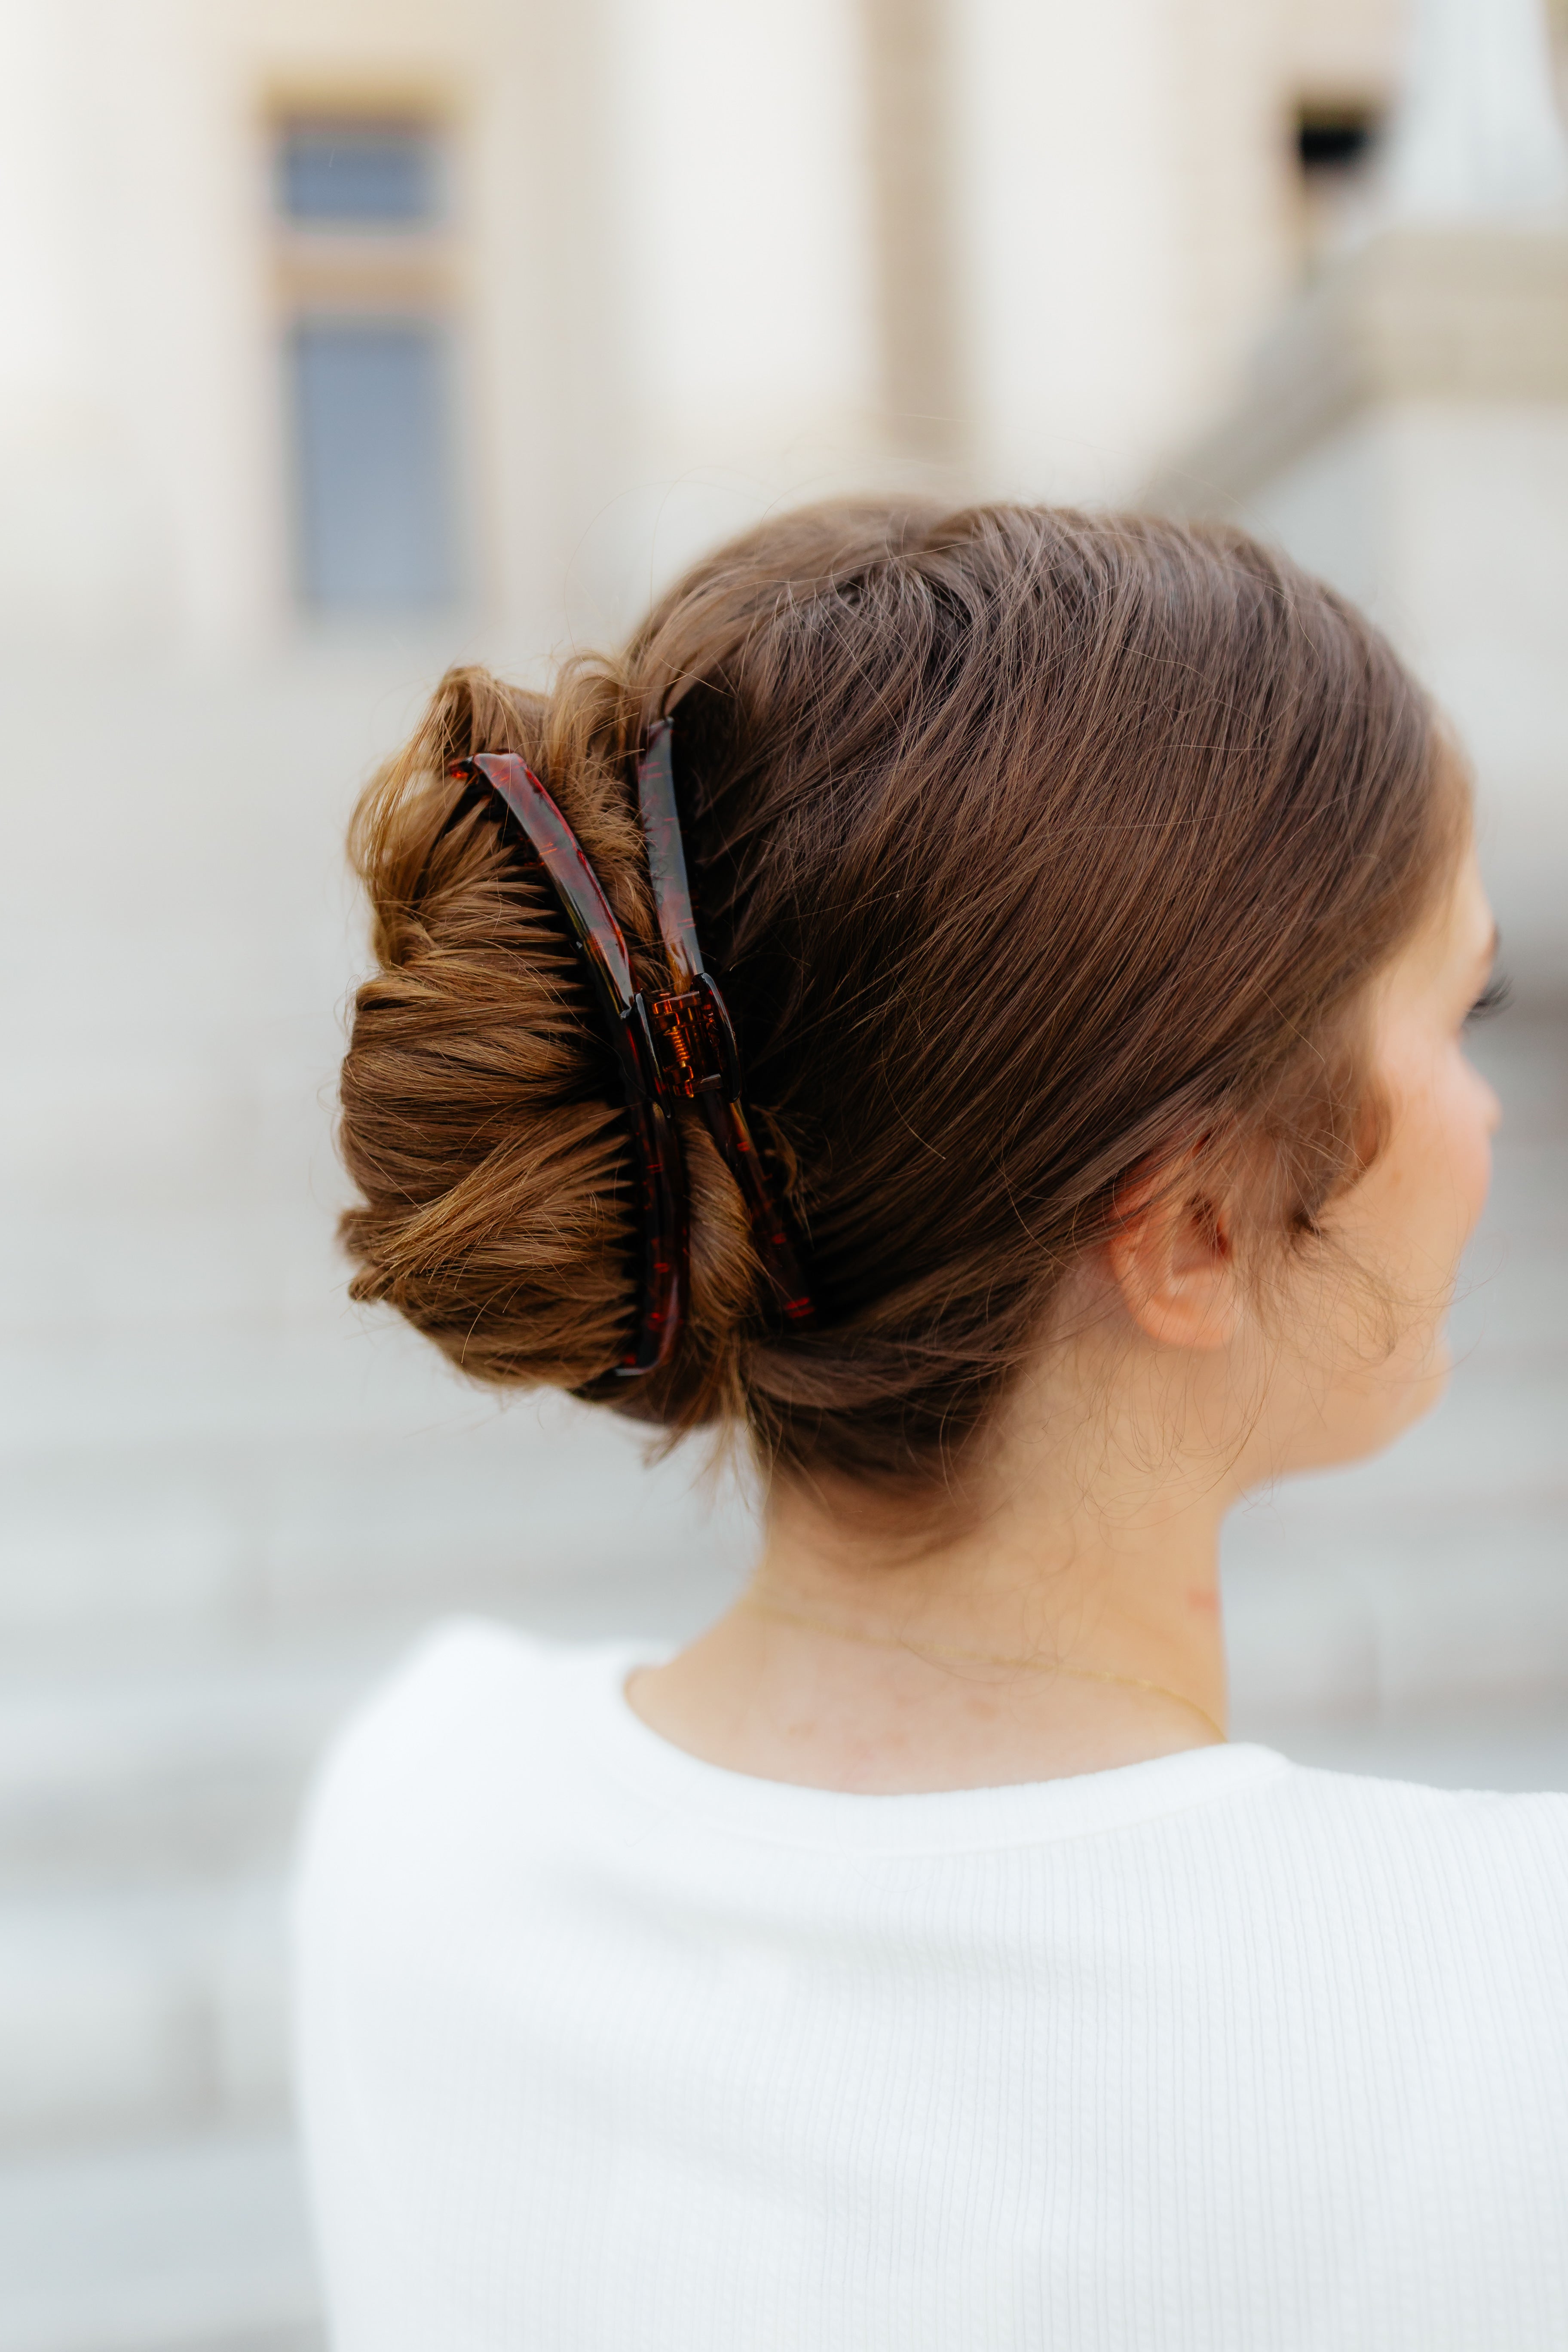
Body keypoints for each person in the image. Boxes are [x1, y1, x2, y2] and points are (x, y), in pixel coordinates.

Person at [294, 502, 1567, 2350]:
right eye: (1463, 1010)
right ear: (1197, 1229)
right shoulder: (1505, 2021)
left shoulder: (416, 1810)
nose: (1490, 1112)